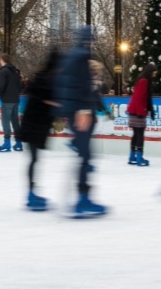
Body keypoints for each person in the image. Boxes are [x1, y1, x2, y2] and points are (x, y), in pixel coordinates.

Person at [54, 26, 107, 218]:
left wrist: (66, 110)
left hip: (72, 113)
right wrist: (83, 110)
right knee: (85, 157)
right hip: (81, 113)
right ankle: (82, 200)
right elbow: (83, 85)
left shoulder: (69, 56)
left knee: (85, 156)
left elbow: (62, 84)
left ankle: (83, 198)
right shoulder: (83, 56)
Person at [20, 49, 60, 210]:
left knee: (34, 159)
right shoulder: (46, 79)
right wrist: (53, 103)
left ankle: (32, 192)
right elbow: (41, 98)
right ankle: (31, 193)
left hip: (34, 125)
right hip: (34, 126)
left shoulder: (44, 77)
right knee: (34, 159)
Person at [0, 54, 23, 153]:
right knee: (15, 121)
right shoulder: (15, 71)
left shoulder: (3, 71)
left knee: (5, 121)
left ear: (2, 60)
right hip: (15, 100)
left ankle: (7, 143)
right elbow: (20, 86)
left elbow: (0, 86)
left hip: (7, 100)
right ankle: (18, 142)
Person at [127, 63, 156, 167]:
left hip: (134, 110)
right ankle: (139, 157)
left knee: (136, 134)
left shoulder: (142, 80)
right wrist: (140, 112)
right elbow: (139, 97)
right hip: (137, 111)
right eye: (154, 72)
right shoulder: (144, 81)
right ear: (149, 72)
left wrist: (151, 110)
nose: (155, 75)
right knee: (139, 134)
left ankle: (132, 156)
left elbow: (146, 98)